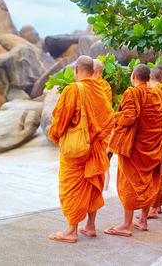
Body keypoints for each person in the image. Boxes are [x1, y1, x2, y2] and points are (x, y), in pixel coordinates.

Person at [48, 55, 114, 243]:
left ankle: (71, 230)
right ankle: (90, 226)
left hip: (77, 152)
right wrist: (96, 140)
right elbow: (110, 119)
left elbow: (60, 119)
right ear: (93, 72)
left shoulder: (73, 89)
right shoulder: (100, 89)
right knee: (92, 185)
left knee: (71, 187)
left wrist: (54, 135)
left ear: (76, 70)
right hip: (95, 148)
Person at [105, 64, 162, 237]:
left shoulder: (132, 93)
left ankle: (126, 225)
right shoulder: (156, 93)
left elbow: (129, 117)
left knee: (129, 183)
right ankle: (143, 221)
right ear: (148, 79)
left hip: (135, 147)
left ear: (133, 76)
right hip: (152, 146)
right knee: (147, 183)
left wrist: (114, 117)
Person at [136, 67, 162, 219]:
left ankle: (153, 209)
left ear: (148, 79)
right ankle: (157, 206)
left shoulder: (157, 92)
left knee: (157, 173)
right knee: (161, 171)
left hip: (161, 139)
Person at [92, 59, 113, 191]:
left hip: (95, 129)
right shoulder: (106, 86)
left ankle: (101, 189)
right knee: (104, 160)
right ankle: (104, 190)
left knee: (101, 160)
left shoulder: (86, 85)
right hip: (104, 128)